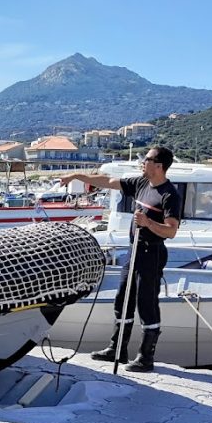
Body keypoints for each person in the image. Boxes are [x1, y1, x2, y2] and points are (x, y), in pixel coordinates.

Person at [59, 146, 181, 372]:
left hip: (151, 254)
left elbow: (171, 231)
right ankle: (117, 349)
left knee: (147, 304)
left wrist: (148, 223)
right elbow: (108, 181)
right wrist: (76, 175)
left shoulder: (169, 194)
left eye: (146, 159)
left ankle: (146, 357)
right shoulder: (141, 184)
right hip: (132, 251)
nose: (142, 162)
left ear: (158, 165)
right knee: (122, 298)